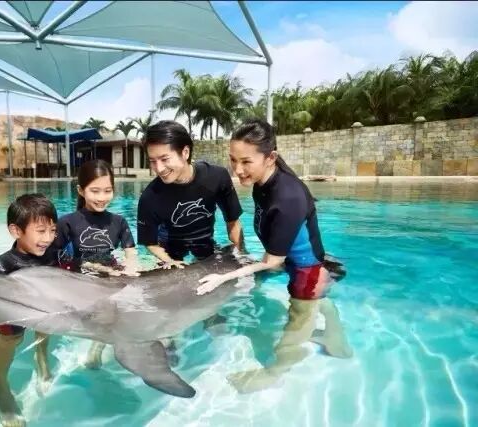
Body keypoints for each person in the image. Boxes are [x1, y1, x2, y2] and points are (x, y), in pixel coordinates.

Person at [196, 119, 352, 393]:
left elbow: (272, 261)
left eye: (246, 162)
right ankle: (332, 330)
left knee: (298, 322)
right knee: (262, 281)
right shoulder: (263, 183)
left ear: (271, 158)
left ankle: (274, 373)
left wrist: (222, 278)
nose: (237, 170)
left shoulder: (287, 197)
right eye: (233, 160)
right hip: (289, 258)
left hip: (306, 269)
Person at [53, 159, 139, 368]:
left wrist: (130, 270)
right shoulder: (67, 222)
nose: (102, 198)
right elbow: (56, 256)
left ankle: (97, 348)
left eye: (107, 191)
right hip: (80, 277)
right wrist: (95, 268)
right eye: (95, 191)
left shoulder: (119, 222)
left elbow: (130, 252)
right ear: (80, 190)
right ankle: (96, 346)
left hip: (110, 273)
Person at [0, 193, 58, 427]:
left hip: (42, 309)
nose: (48, 238)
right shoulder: (0, 267)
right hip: (12, 315)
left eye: (53, 230)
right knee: (10, 340)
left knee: (46, 324)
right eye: (41, 231)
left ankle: (41, 357)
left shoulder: (51, 255)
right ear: (16, 231)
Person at [137, 120, 244, 268]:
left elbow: (233, 222)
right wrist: (170, 261)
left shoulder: (217, 177)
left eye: (164, 159)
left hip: (205, 244)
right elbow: (150, 243)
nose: (159, 168)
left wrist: (241, 255)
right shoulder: (149, 197)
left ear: (185, 152)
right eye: (153, 161)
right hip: (168, 250)